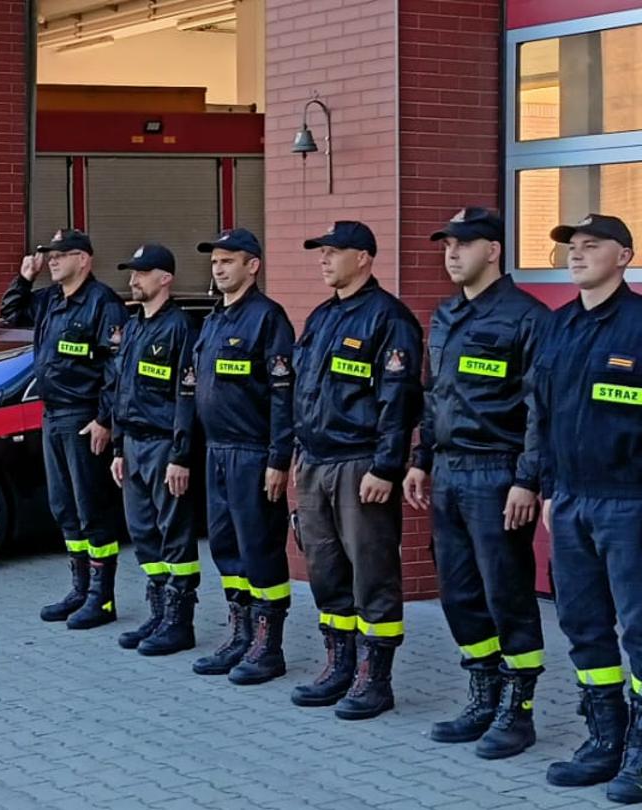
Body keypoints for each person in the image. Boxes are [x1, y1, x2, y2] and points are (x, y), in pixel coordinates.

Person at [533, 214, 642, 804]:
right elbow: (543, 415)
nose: (576, 256)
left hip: (631, 505)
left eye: (591, 246)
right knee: (582, 625)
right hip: (571, 501)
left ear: (624, 256)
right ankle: (605, 740)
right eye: (571, 248)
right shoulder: (557, 327)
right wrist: (549, 488)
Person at [405, 208, 552, 758]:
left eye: (463, 244)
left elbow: (541, 411)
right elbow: (432, 394)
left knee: (506, 592)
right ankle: (483, 692)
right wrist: (420, 458)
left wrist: (527, 479)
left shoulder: (528, 318)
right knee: (460, 592)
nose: (451, 254)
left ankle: (519, 708)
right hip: (447, 470)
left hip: (497, 471)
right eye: (447, 245)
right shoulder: (445, 315)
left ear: (493, 251)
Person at [289, 221, 423, 720]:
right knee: (326, 571)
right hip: (316, 462)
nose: (323, 260)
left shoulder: (388, 318)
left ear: (363, 257)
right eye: (321, 252)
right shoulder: (322, 315)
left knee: (372, 573)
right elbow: (304, 390)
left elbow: (398, 400)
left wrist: (386, 467)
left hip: (360, 464)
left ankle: (375, 679)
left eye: (334, 251)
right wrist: (299, 451)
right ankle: (339, 666)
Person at [1, 228, 130, 629]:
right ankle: (80, 588)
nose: (52, 260)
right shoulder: (50, 300)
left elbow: (116, 368)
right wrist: (25, 277)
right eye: (50, 254)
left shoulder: (102, 304)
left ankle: (102, 598)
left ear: (84, 260)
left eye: (60, 254)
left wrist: (104, 419)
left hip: (83, 418)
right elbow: (11, 313)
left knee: (92, 508)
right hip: (52, 415)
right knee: (63, 507)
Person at [185, 228, 296, 678]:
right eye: (214, 261)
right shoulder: (214, 320)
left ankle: (268, 647)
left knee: (259, 548)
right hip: (216, 451)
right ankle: (241, 634)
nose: (218, 268)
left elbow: (283, 394)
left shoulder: (268, 318)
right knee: (226, 548)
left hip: (252, 454)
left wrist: (278, 458)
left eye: (228, 260)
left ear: (253, 265)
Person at [102, 244, 205, 655]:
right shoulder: (133, 327)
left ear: (165, 279)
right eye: (132, 273)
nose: (133, 280)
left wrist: (181, 455)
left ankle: (180, 622)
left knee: (174, 534)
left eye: (142, 273)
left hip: (164, 446)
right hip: (133, 444)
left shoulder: (180, 328)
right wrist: (117, 447)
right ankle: (159, 612)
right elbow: (120, 391)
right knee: (143, 532)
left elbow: (186, 397)